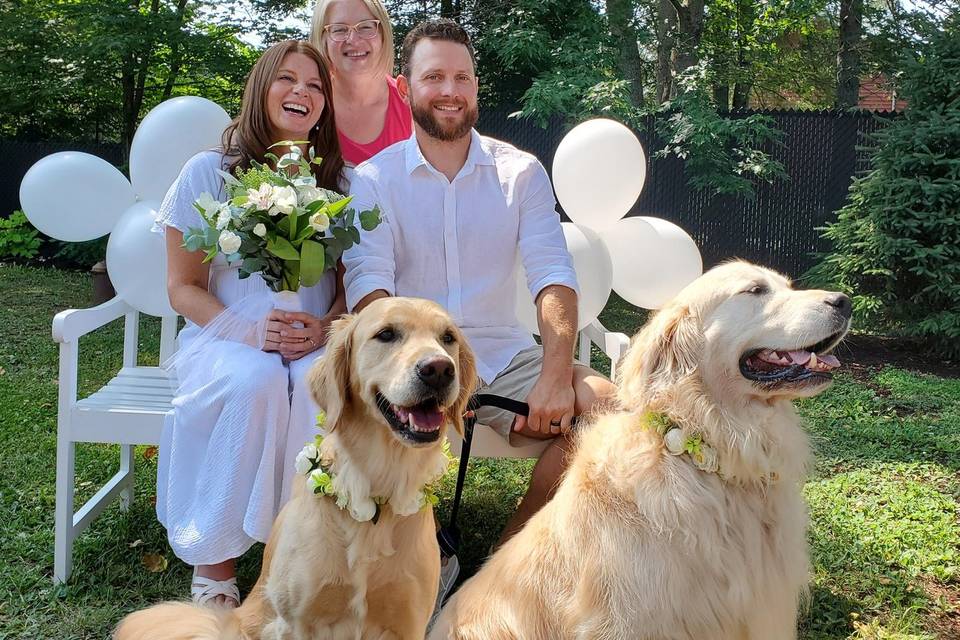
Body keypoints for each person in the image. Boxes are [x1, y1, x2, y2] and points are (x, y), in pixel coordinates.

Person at [341, 18, 617, 609]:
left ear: (475, 86)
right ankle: (422, 557)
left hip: (500, 352)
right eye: (433, 76)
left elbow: (552, 276)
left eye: (461, 76)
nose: (449, 90)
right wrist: (410, 373)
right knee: (381, 406)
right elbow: (370, 288)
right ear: (405, 87)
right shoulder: (371, 180)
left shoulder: (520, 172)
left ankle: (511, 560)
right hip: (416, 361)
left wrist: (551, 375)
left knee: (606, 408)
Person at [154, 40, 346, 608]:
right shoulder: (208, 173)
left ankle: (310, 559)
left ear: (326, 105)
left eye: (315, 86)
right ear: (261, 88)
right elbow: (182, 287)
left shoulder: (341, 184)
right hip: (226, 337)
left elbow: (351, 288)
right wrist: (251, 333)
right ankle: (215, 566)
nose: (301, 93)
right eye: (287, 80)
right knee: (254, 383)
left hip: (315, 339)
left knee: (323, 388)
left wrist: (325, 329)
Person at [310, 0, 412, 167]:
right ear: (323, 40)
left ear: (383, 35)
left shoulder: (410, 103)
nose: (353, 39)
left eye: (365, 27)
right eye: (339, 29)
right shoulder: (310, 103)